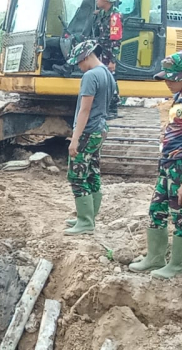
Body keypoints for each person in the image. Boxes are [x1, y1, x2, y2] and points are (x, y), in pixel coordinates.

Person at [129, 52, 182, 279]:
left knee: (181, 215)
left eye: (172, 79)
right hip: (169, 163)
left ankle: (177, 265)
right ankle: (155, 257)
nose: (167, 83)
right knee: (156, 210)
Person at [63, 40, 115, 236]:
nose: (78, 66)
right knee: (92, 171)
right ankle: (89, 216)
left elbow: (84, 111)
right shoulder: (107, 74)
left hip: (88, 130)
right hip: (100, 129)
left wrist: (75, 139)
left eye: (78, 62)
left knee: (76, 175)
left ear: (85, 57)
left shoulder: (91, 76)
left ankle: (85, 221)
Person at [54, 0, 122, 119]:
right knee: (77, 40)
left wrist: (113, 60)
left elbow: (116, 40)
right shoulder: (102, 13)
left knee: (110, 76)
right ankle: (67, 68)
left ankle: (112, 108)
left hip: (107, 50)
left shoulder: (115, 17)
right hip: (99, 46)